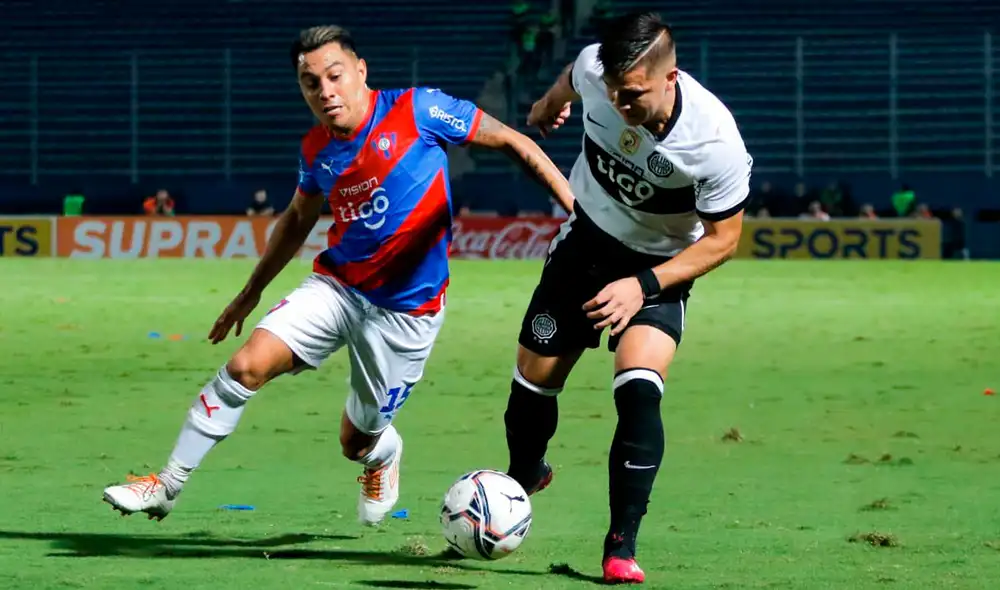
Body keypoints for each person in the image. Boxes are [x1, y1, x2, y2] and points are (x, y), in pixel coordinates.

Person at [102, 25, 574, 527]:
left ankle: (382, 454)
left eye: (335, 76)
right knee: (245, 366)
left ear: (360, 72)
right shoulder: (316, 150)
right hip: (338, 288)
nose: (325, 91)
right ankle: (167, 485)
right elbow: (297, 219)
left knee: (357, 441)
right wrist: (250, 293)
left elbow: (512, 142)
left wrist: (576, 213)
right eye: (311, 83)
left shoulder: (419, 110)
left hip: (407, 315)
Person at [504, 12, 752, 584]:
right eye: (614, 91)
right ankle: (523, 476)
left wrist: (641, 286)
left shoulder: (715, 142)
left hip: (657, 267)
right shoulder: (598, 71)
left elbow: (724, 240)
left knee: (638, 390)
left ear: (671, 78)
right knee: (532, 382)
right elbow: (576, 72)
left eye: (634, 93)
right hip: (586, 240)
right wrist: (548, 102)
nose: (620, 104)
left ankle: (621, 544)